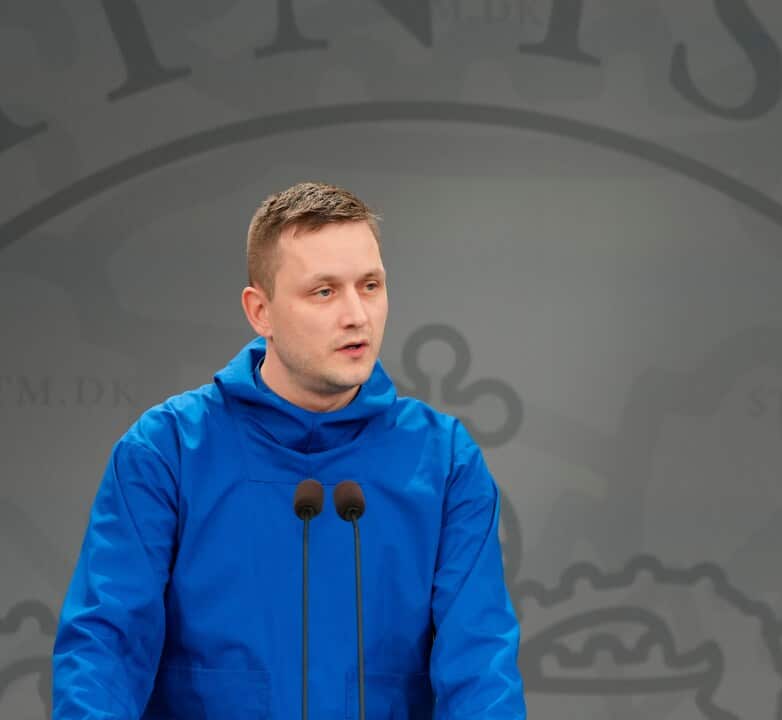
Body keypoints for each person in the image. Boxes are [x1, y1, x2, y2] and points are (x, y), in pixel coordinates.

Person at [52, 182, 526, 718]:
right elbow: (104, 652)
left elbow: (481, 669)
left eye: (370, 286)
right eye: (324, 292)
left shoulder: (443, 462)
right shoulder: (166, 452)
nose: (357, 315)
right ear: (261, 311)